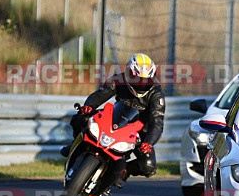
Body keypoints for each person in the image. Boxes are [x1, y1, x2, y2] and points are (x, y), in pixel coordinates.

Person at [62, 53, 165, 186]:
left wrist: (148, 143)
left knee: (148, 166)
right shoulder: (118, 80)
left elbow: (157, 122)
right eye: (137, 79)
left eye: (146, 81)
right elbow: (100, 94)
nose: (141, 84)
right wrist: (88, 107)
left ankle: (124, 171)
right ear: (129, 73)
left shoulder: (156, 94)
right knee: (80, 117)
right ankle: (76, 143)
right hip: (115, 119)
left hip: (138, 131)